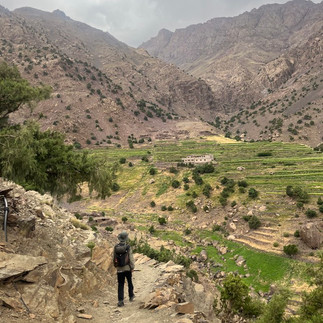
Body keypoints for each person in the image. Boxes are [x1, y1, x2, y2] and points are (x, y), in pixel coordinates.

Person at [113, 231, 135, 307]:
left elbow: (114, 257)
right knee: (129, 282)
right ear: (126, 238)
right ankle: (131, 296)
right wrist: (132, 267)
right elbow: (131, 258)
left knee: (120, 284)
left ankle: (120, 301)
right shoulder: (128, 247)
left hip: (119, 269)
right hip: (127, 268)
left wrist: (116, 266)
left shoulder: (116, 247)